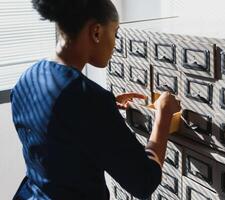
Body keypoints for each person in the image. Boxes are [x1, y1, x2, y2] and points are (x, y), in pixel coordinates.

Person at [10, 0, 181, 199]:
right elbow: (144, 180)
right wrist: (164, 114)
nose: (116, 44)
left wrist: (103, 109)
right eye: (115, 33)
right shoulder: (87, 100)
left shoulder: (28, 77)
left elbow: (54, 133)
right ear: (96, 32)